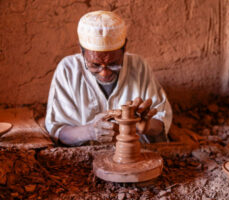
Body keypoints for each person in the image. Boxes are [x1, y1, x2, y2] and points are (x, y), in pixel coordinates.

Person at [45, 11, 172, 146]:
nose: (104, 73)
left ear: (124, 49)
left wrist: (146, 126)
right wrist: (89, 131)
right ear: (82, 52)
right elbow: (57, 130)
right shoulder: (68, 69)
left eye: (113, 64)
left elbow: (161, 119)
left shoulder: (138, 66)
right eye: (95, 65)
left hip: (133, 156)